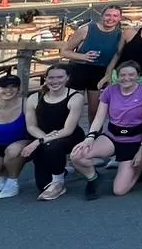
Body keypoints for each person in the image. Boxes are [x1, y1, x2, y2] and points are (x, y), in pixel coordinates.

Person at [70, 61, 142, 200]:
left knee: (119, 190)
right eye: (122, 75)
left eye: (131, 75)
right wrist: (90, 138)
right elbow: (99, 118)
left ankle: (141, 165)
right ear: (117, 76)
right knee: (77, 155)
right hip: (112, 137)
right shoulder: (110, 90)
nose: (126, 78)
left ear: (138, 76)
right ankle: (93, 178)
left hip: (134, 141)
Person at [22, 64, 85, 201]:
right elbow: (31, 126)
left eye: (60, 77)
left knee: (53, 147)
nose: (55, 81)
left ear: (67, 78)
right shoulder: (34, 98)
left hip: (69, 136)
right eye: (51, 77)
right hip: (42, 136)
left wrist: (40, 142)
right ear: (46, 79)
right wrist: (44, 139)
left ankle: (58, 182)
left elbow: (68, 130)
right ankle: (63, 169)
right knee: (42, 185)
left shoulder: (75, 97)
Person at [60, 5, 126, 113]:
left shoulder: (120, 35)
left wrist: (108, 73)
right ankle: (70, 129)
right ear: (102, 16)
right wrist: (83, 56)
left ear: (120, 18)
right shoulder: (86, 29)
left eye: (115, 16)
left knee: (95, 110)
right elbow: (64, 51)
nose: (111, 18)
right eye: (108, 15)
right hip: (79, 69)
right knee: (73, 108)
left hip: (100, 72)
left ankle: (94, 130)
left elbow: (117, 55)